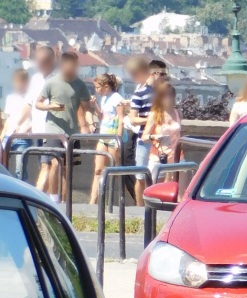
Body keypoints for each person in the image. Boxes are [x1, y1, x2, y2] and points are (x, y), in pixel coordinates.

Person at [35, 51, 92, 203]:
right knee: (54, 163)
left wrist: (89, 124)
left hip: (71, 132)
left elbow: (86, 108)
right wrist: (50, 106)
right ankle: (53, 199)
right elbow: (38, 103)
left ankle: (64, 202)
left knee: (66, 169)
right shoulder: (52, 82)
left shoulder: (80, 84)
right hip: (54, 130)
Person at [128, 58, 165, 205]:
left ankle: (154, 207)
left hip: (159, 140)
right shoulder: (140, 93)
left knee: (159, 177)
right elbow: (133, 119)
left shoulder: (162, 94)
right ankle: (140, 208)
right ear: (154, 73)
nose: (165, 78)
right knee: (140, 176)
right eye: (162, 74)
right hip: (145, 140)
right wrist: (150, 119)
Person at [87, 73, 127, 205]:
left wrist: (118, 139)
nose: (96, 90)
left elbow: (121, 119)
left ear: (106, 86)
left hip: (113, 137)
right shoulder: (103, 99)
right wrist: (95, 107)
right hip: (103, 136)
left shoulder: (117, 99)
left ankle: (119, 200)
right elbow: (102, 116)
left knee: (116, 171)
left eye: (98, 87)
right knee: (98, 169)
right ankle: (93, 201)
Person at [25, 46, 55, 193]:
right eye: (38, 61)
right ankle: (48, 200)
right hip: (37, 130)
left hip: (50, 130)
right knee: (43, 166)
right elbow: (29, 104)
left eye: (42, 61)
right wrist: (18, 125)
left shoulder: (58, 78)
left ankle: (37, 200)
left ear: (51, 61)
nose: (39, 65)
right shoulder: (36, 78)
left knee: (46, 165)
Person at [142, 81, 181, 181]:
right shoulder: (154, 114)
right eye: (165, 95)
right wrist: (154, 137)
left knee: (178, 190)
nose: (168, 98)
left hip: (176, 157)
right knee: (155, 189)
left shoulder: (178, 113)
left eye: (170, 95)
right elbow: (144, 137)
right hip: (159, 157)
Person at [2, 68, 31, 180]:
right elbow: (7, 118)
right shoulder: (10, 98)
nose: (19, 84)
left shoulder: (30, 98)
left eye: (21, 81)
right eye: (17, 81)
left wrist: (28, 128)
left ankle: (22, 193)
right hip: (8, 136)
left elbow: (35, 119)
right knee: (3, 166)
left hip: (23, 137)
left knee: (20, 169)